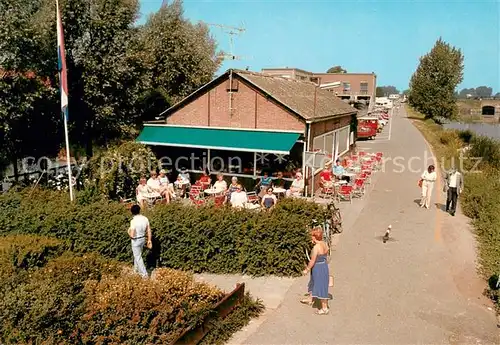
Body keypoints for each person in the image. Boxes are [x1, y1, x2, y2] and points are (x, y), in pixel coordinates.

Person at [301, 227, 330, 315]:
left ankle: (324, 308)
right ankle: (311, 299)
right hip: (324, 266)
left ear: (314, 237)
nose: (311, 238)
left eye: (311, 236)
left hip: (318, 268)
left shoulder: (316, 248)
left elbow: (312, 261)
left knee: (321, 286)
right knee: (313, 283)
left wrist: (307, 269)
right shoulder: (324, 244)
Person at [128, 204, 152, 278]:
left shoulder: (133, 221)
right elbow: (148, 230)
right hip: (142, 238)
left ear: (132, 212)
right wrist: (149, 240)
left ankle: (144, 275)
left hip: (136, 240)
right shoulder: (145, 218)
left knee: (138, 257)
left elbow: (132, 234)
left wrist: (128, 232)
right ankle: (136, 270)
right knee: (137, 255)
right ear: (139, 210)